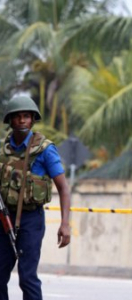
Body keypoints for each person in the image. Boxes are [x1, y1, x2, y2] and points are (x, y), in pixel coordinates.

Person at [0, 95, 71, 300]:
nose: (22, 120)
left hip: (31, 220)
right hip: (4, 219)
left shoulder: (45, 149)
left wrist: (65, 224)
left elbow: (64, 188)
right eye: (17, 117)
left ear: (32, 120)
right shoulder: (3, 150)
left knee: (27, 277)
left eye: (26, 116)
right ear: (10, 121)